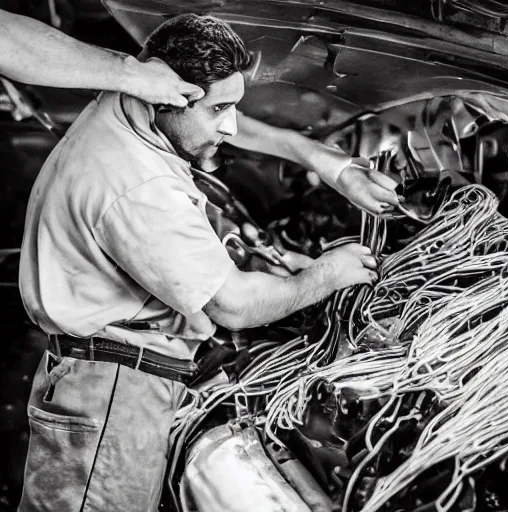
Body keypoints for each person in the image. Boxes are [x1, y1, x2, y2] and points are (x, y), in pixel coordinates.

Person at [16, 14, 374, 511]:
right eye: (219, 110)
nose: (228, 126)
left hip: (108, 377)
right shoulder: (138, 185)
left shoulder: (126, 105)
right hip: (115, 396)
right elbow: (234, 307)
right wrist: (326, 273)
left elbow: (217, 117)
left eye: (233, 105)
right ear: (170, 98)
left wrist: (320, 157)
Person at [0, 7, 401, 215]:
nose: (226, 125)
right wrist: (129, 73)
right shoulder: (136, 183)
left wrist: (334, 166)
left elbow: (208, 113)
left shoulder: (159, 114)